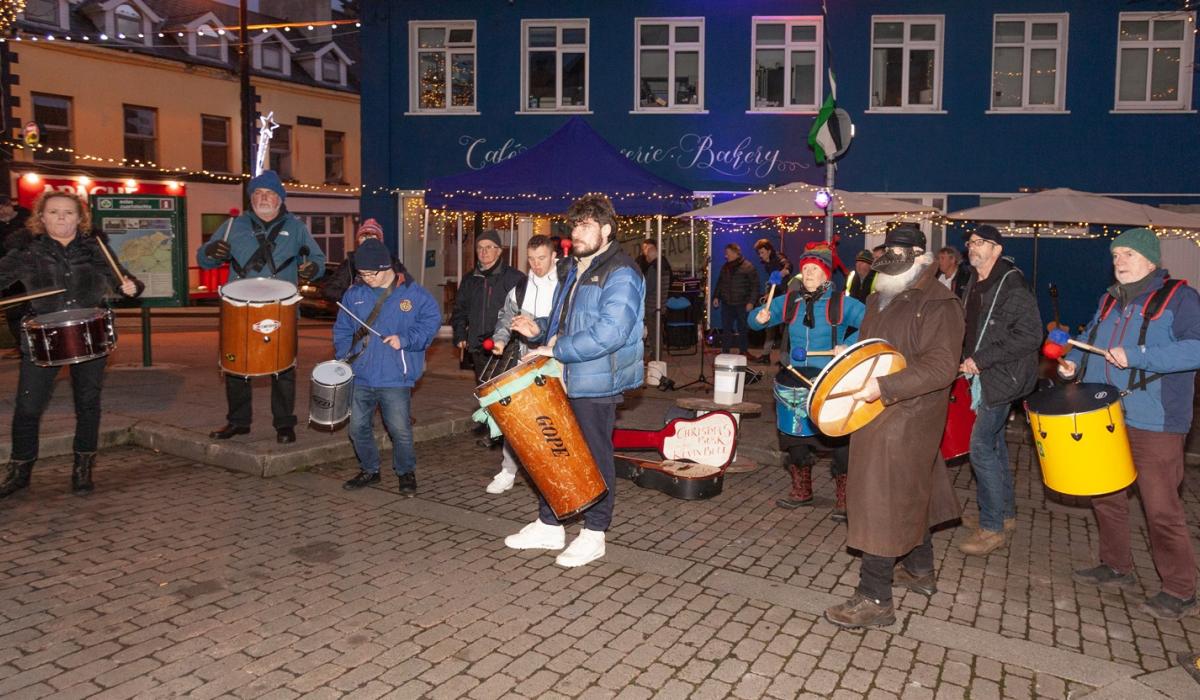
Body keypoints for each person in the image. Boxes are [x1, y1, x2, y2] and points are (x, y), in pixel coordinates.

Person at [823, 224, 964, 629]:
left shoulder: (939, 303)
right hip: (880, 410)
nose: (885, 269)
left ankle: (875, 597)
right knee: (911, 490)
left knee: (879, 499)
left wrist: (882, 387)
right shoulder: (880, 297)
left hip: (906, 415)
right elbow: (877, 348)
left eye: (896, 258)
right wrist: (849, 353)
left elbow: (940, 366)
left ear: (922, 258)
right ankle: (920, 571)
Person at [1059, 228, 1200, 620]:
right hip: (1106, 415)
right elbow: (1091, 341)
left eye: (1128, 255)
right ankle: (1116, 565)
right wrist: (1074, 364)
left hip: (1156, 421)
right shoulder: (1109, 300)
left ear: (1151, 260)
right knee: (1105, 494)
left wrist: (1137, 355)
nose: (1119, 261)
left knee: (1160, 508)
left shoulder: (1180, 298)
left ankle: (1179, 588)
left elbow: (1196, 348)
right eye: (1116, 254)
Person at [503, 194, 644, 568]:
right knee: (556, 453)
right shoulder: (575, 268)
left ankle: (595, 532)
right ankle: (551, 523)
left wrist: (557, 348)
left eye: (586, 225)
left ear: (607, 229)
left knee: (595, 458)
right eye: (575, 225)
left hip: (598, 380)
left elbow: (611, 331)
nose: (576, 232)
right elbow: (565, 323)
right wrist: (539, 331)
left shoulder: (621, 272)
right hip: (567, 375)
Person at [0, 191, 143, 498]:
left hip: (89, 333)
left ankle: (83, 468)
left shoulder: (96, 249)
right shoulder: (27, 252)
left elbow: (124, 279)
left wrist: (131, 286)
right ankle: (20, 469)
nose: (61, 217)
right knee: (27, 407)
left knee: (88, 404)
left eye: (68, 212)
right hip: (42, 338)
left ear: (80, 218)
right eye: (54, 212)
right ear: (42, 217)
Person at [197, 170, 325, 444]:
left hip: (282, 306)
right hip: (239, 306)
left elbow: (317, 259)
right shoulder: (234, 225)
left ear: (280, 198)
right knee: (235, 366)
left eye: (269, 193)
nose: (263, 198)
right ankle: (238, 422)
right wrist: (209, 254)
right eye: (257, 193)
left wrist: (313, 267)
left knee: (284, 367)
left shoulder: (297, 227)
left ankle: (284, 424)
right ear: (251, 198)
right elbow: (205, 256)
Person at [749, 243, 865, 520]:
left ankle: (845, 496)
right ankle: (802, 489)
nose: (809, 273)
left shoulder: (841, 302)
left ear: (826, 273)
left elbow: (872, 322)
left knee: (838, 438)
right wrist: (759, 317)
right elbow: (754, 321)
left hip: (830, 378)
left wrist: (848, 344)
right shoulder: (789, 300)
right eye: (805, 269)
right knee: (792, 437)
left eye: (814, 269)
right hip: (794, 376)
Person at [956, 225, 1041, 555]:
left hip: (1003, 375)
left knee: (979, 447)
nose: (972, 248)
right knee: (994, 446)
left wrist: (981, 359)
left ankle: (991, 527)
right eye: (970, 243)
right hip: (985, 374)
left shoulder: (1011, 283)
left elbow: (1030, 335)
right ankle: (1005, 515)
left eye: (980, 243)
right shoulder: (975, 282)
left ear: (996, 249)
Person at [336, 238, 440, 498]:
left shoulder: (413, 294)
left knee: (399, 429)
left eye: (372, 273)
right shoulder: (354, 294)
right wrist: (344, 356)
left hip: (395, 376)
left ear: (387, 267)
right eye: (362, 273)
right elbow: (342, 330)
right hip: (361, 375)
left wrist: (405, 339)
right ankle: (370, 470)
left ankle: (406, 472)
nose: (367, 278)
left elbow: (432, 321)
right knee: (357, 428)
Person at [484, 234, 561, 494]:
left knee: (555, 423)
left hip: (558, 362)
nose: (536, 264)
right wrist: (500, 340)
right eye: (531, 259)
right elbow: (507, 317)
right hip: (525, 360)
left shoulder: (565, 286)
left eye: (542, 258)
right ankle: (508, 470)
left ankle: (555, 474)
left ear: (553, 256)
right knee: (516, 418)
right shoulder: (521, 287)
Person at [451, 229, 524, 383]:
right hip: (478, 346)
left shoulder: (514, 278)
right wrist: (460, 334)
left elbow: (522, 312)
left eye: (489, 247)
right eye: (480, 247)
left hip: (506, 347)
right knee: (484, 388)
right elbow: (460, 309)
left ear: (499, 251)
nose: (483, 251)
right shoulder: (470, 279)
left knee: (504, 391)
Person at [320, 218, 409, 302]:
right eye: (363, 237)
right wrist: (351, 295)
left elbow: (407, 287)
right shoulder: (350, 263)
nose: (367, 241)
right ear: (358, 241)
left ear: (379, 241)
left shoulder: (392, 262)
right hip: (357, 315)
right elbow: (328, 290)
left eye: (372, 237)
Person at [714, 243, 760, 356]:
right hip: (727, 303)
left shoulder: (748, 267)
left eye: (728, 253)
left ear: (735, 253)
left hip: (742, 304)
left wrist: (751, 302)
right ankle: (725, 352)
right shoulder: (725, 267)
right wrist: (716, 296)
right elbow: (720, 283)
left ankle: (743, 351)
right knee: (726, 329)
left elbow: (755, 286)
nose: (726, 256)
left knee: (742, 329)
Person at [0, 194, 31, 358]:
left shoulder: (28, 219)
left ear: (8, 205)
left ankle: (34, 344)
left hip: (28, 271)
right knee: (12, 310)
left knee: (31, 308)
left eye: (1, 209)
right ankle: (20, 346)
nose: (0, 213)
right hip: (8, 275)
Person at [753, 238, 791, 365]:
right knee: (769, 326)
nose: (761, 255)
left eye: (762, 252)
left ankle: (785, 360)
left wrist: (784, 271)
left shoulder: (779, 257)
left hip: (785, 297)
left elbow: (788, 264)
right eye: (759, 253)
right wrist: (768, 293)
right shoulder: (767, 265)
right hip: (775, 296)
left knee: (784, 330)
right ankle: (765, 355)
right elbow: (772, 281)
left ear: (769, 251)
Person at [637, 238, 671, 347]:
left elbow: (649, 287)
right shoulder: (663, 265)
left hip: (652, 305)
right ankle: (656, 355)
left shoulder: (654, 267)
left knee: (654, 333)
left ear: (651, 255)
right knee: (657, 332)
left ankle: (655, 357)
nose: (645, 257)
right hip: (660, 303)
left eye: (647, 255)